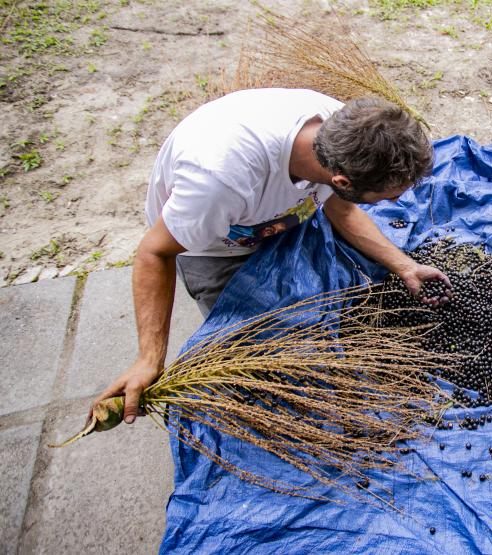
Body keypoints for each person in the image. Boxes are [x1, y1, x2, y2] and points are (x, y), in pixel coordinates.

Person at [91, 89, 451, 423]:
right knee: (263, 367)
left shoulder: (340, 128)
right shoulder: (221, 180)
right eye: (387, 197)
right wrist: (149, 359)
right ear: (341, 180)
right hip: (214, 246)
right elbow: (154, 252)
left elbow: (341, 210)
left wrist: (405, 266)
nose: (394, 204)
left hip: (278, 217)